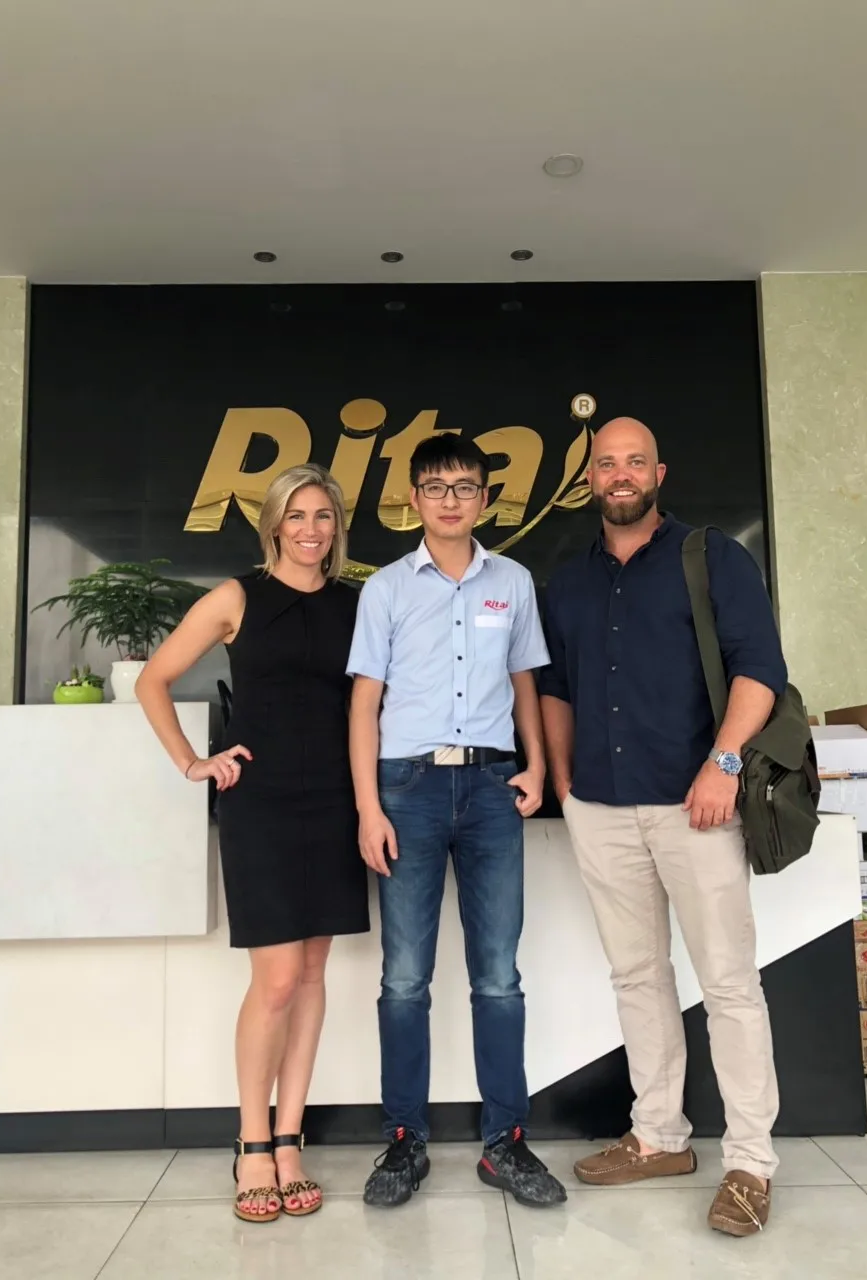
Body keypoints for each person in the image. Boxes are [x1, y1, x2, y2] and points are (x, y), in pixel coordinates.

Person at [540, 417, 787, 1238]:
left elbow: (761, 669)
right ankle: (658, 1137)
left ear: (658, 473)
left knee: (728, 984)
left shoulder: (712, 557)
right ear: (589, 479)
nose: (620, 474)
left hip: (696, 804)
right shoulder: (568, 581)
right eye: (606, 463)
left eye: (634, 462)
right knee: (637, 977)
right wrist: (565, 778)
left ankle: (750, 1163)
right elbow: (555, 686)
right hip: (601, 807)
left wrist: (723, 763)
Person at [136, 463, 370, 1224]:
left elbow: (371, 705)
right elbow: (152, 680)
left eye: (323, 516)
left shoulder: (356, 605)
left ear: (337, 527)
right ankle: (252, 1144)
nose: (311, 530)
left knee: (312, 974)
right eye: (297, 516)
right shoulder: (237, 598)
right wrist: (193, 762)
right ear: (273, 524)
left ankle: (290, 1140)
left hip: (334, 801)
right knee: (275, 982)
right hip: (262, 805)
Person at [347, 433, 567, 1210]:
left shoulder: (513, 581)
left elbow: (526, 680)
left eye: (465, 486)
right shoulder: (385, 589)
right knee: (405, 978)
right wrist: (368, 806)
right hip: (405, 789)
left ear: (485, 499)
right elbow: (364, 704)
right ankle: (404, 1141)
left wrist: (535, 766)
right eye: (436, 487)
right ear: (414, 498)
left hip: (490, 790)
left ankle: (505, 1142)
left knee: (498, 977)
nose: (450, 499)